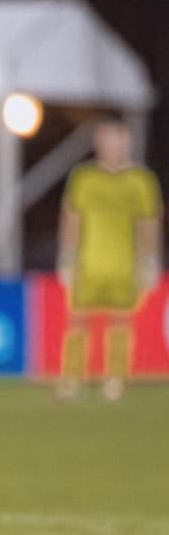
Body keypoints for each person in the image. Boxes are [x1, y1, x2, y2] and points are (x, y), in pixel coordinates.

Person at [56, 113, 163, 400]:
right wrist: (67, 257)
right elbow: (72, 219)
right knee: (77, 320)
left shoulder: (140, 180)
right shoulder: (84, 178)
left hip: (124, 264)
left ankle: (115, 378)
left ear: (126, 142)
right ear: (98, 143)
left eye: (118, 139)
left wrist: (149, 260)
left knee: (121, 320)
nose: (113, 145)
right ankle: (72, 378)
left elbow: (148, 223)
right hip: (88, 264)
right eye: (107, 139)